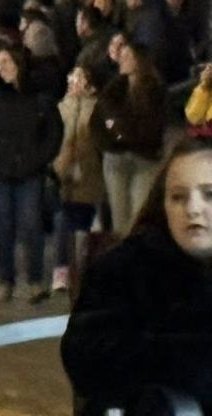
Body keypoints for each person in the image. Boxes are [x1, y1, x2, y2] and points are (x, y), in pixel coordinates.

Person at [62, 135, 212, 416]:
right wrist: (191, 357)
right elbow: (87, 360)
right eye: (178, 197)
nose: (192, 209)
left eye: (209, 194)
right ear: (162, 204)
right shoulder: (124, 268)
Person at [0, 45, 63, 303]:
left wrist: (40, 159)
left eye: (6, 62)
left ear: (19, 63)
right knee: (3, 225)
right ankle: (5, 281)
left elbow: (53, 132)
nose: (0, 68)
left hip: (29, 172)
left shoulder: (39, 97)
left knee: (31, 224)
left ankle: (35, 280)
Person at [94, 38, 166, 231]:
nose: (121, 59)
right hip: (116, 157)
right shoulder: (113, 90)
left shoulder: (154, 91)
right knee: (119, 218)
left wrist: (118, 129)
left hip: (144, 159)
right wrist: (116, 131)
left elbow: (149, 128)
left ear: (139, 61)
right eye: (121, 55)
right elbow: (102, 119)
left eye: (127, 56)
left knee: (138, 216)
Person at [52, 62, 105, 293]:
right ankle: (61, 269)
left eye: (80, 78)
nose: (74, 82)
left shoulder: (98, 109)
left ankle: (84, 272)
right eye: (72, 77)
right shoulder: (61, 108)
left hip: (89, 178)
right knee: (62, 221)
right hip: (63, 177)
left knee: (86, 226)